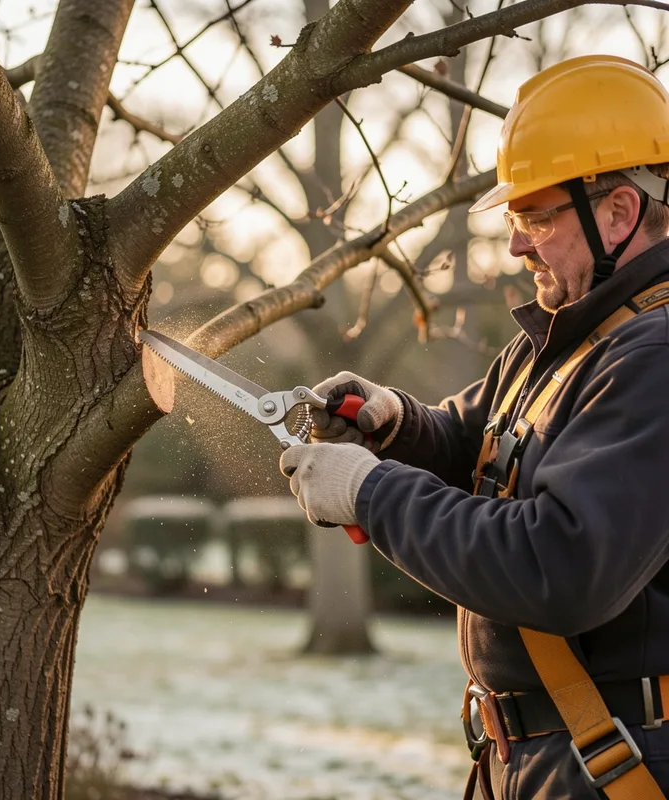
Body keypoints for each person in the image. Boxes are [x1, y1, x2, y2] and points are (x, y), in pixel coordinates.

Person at [279, 54, 669, 799]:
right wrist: (396, 424)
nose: (518, 245)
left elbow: (561, 567)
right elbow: (479, 443)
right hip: (546, 759)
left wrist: (371, 494)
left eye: (536, 217)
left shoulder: (654, 358)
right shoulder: (563, 339)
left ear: (618, 212)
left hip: (616, 764)